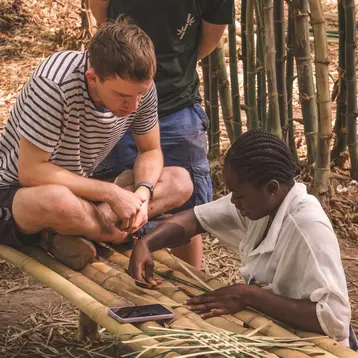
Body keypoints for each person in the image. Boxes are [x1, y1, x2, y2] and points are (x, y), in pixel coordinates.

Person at [0, 19, 193, 271]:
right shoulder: (54, 84)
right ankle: (120, 236)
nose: (133, 106)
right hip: (19, 192)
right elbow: (31, 172)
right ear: (92, 78)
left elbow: (150, 150)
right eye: (122, 96)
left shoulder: (138, 86)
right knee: (58, 201)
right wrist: (111, 194)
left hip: (83, 187)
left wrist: (142, 195)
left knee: (179, 181)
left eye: (140, 95)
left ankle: (78, 231)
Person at [128, 129, 352, 344]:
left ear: (271, 188)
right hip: (275, 329)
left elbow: (335, 320)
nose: (233, 202)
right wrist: (147, 243)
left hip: (317, 346)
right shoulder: (262, 202)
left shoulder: (307, 226)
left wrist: (248, 295)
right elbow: (194, 220)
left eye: (240, 195)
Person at [89, 0, 233, 269]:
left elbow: (210, 36)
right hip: (115, 99)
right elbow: (100, 10)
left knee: (185, 206)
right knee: (116, 193)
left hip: (176, 101)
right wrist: (123, 72)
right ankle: (115, 292)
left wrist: (157, 71)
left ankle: (187, 295)